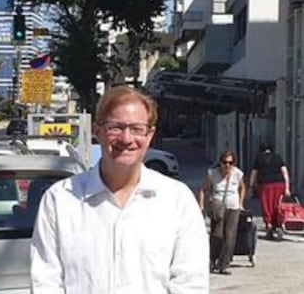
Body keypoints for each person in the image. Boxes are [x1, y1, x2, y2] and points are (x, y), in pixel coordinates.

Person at [30, 85, 209, 293]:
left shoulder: (177, 200)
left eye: (136, 129)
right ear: (97, 131)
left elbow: (190, 283)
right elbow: (46, 281)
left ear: (150, 134)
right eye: (115, 127)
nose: (126, 139)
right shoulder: (60, 200)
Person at [198, 150, 246, 275]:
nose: (227, 165)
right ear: (220, 162)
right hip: (218, 207)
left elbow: (242, 188)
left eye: (230, 163)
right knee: (217, 235)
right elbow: (203, 189)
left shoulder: (237, 174)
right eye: (225, 162)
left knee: (229, 237)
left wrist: (241, 203)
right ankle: (212, 259)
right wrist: (201, 205)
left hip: (233, 207)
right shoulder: (212, 174)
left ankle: (223, 264)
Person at [249, 143, 290, 240]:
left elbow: (254, 173)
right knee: (277, 205)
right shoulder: (278, 157)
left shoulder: (258, 158)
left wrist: (251, 186)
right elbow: (284, 172)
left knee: (266, 205)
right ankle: (279, 224)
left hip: (264, 185)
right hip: (279, 184)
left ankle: (269, 225)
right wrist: (287, 187)